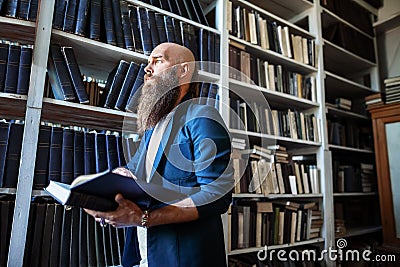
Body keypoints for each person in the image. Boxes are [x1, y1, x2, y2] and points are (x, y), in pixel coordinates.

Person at [85, 43, 234, 267]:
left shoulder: (203, 117)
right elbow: (135, 173)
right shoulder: (153, 127)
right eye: (147, 63)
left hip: (183, 259)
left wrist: (143, 219)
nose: (147, 69)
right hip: (144, 255)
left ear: (183, 71)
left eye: (158, 61)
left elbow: (216, 196)